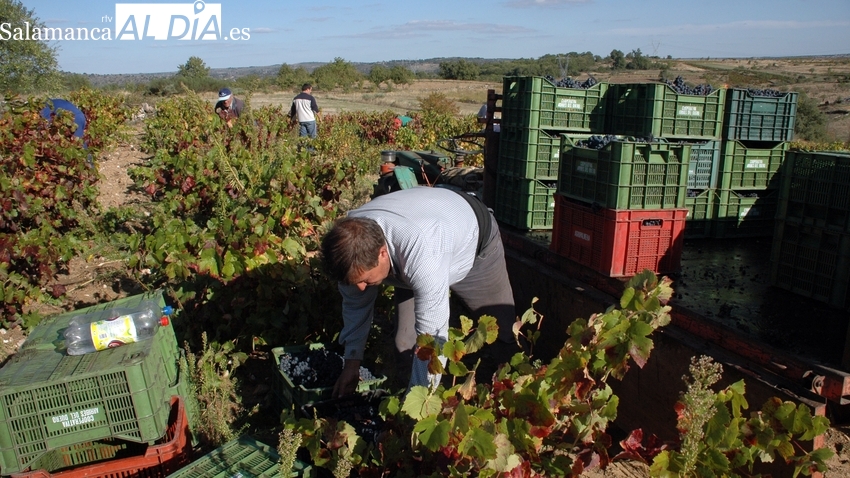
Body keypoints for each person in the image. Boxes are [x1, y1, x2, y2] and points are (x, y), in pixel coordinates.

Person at [321, 187, 518, 398]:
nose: (360, 288)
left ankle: (512, 393)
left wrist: (423, 400)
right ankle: (409, 399)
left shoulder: (422, 253)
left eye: (364, 280)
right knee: (404, 343)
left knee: (503, 332)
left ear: (382, 253)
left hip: (473, 241)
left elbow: (433, 336)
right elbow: (355, 306)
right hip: (421, 242)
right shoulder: (348, 248)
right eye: (355, 281)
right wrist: (352, 364)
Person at [41, 98, 91, 166]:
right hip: (79, 115)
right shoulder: (48, 103)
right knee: (80, 142)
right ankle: (88, 166)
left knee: (78, 145)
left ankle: (88, 167)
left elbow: (45, 126)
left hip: (75, 118)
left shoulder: (42, 110)